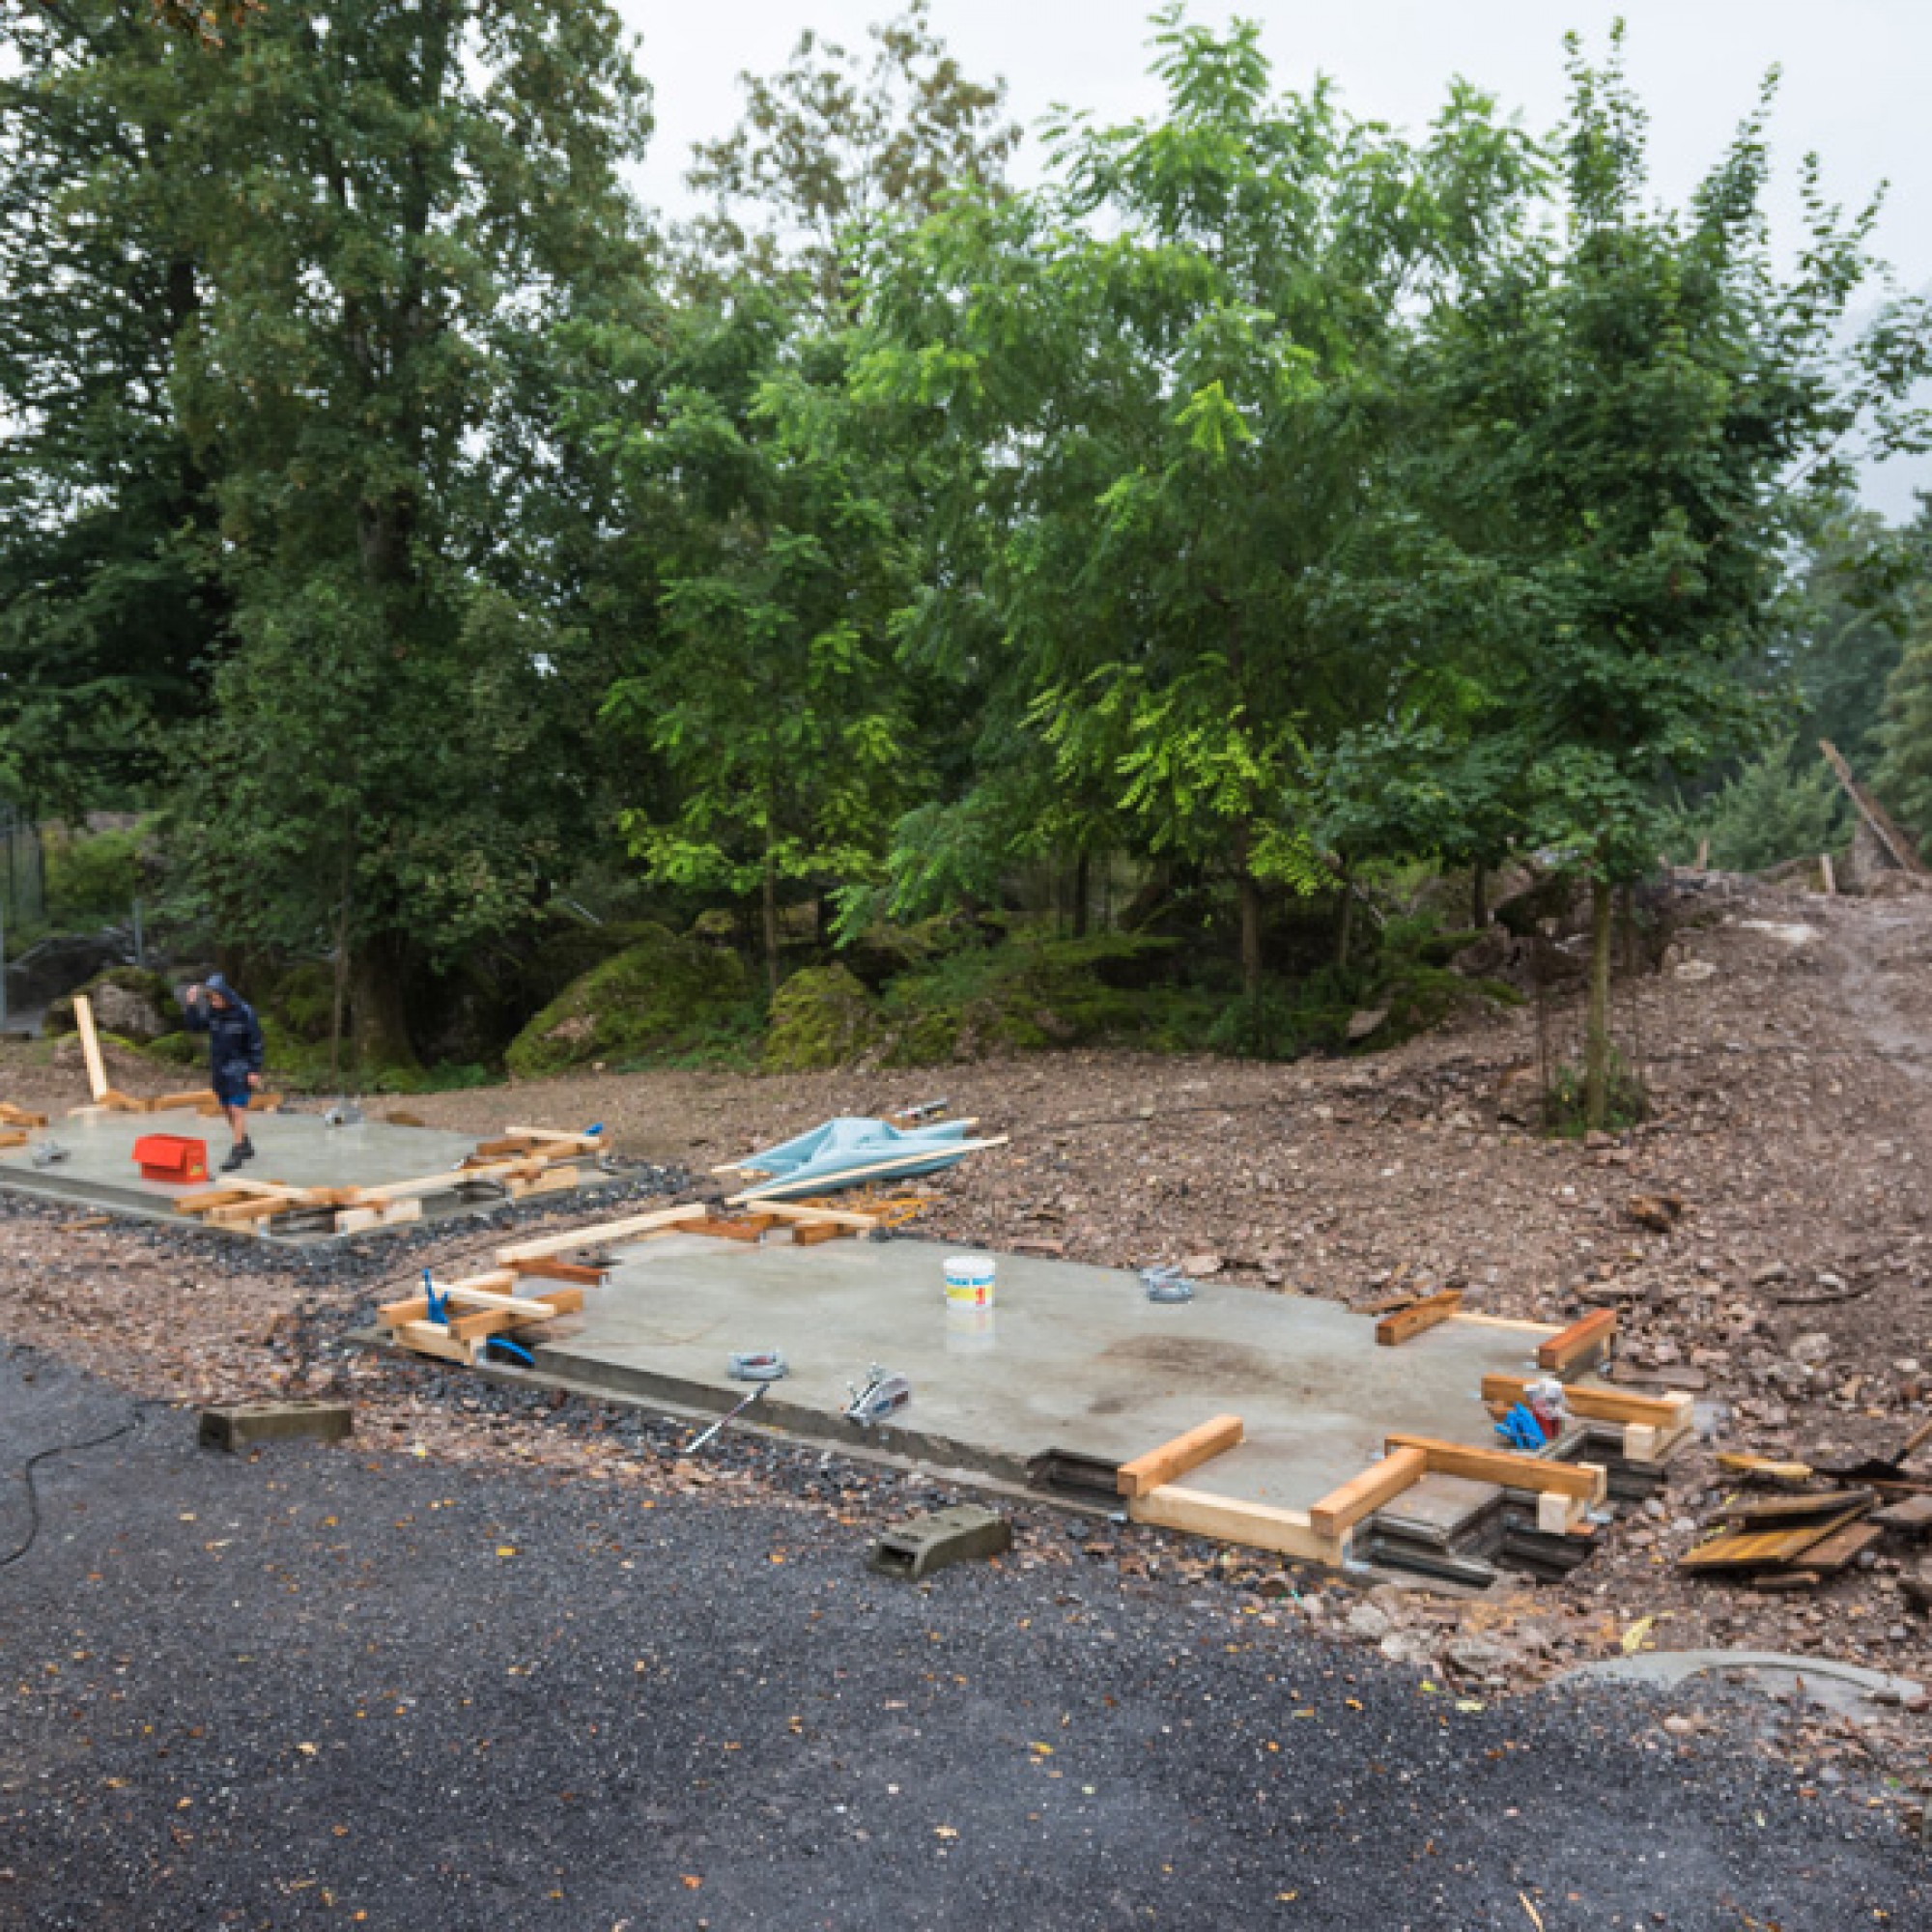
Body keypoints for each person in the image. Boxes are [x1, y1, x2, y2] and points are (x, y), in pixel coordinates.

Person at [180, 973, 266, 1171]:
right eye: (210, 999)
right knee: (227, 1108)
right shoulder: (213, 1013)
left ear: (225, 995)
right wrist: (191, 1006)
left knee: (237, 1109)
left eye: (217, 998)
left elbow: (255, 1042)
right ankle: (244, 1143)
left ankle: (237, 1152)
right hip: (220, 1067)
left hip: (240, 1066)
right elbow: (195, 1027)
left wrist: (254, 1069)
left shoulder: (245, 1012)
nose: (214, 1002)